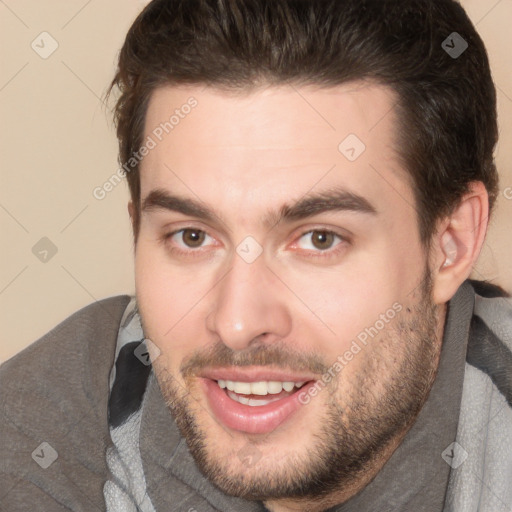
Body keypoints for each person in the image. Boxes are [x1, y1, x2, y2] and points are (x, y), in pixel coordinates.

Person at [1, 0, 511, 510]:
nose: (238, 323)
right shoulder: (33, 436)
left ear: (450, 244)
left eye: (319, 239)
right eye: (192, 236)